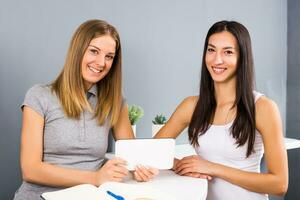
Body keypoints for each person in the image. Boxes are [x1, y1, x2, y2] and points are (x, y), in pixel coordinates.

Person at [14, 19, 157, 200]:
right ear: (78, 50)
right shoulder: (39, 96)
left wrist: (140, 169)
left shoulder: (114, 102)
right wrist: (95, 178)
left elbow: (132, 157)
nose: (101, 62)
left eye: (109, 56)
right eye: (94, 51)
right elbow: (30, 170)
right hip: (40, 196)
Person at [155, 20, 288, 200]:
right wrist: (182, 165)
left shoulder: (263, 107)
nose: (217, 60)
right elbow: (152, 150)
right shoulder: (191, 105)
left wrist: (212, 168)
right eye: (211, 50)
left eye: (228, 52)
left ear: (242, 57)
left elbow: (279, 184)